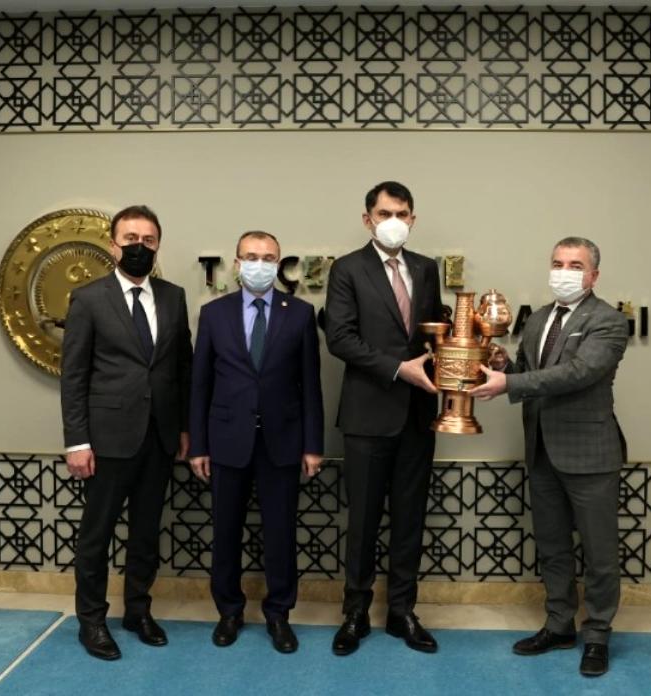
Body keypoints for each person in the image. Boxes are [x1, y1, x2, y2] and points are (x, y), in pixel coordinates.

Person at [469, 236, 628, 678]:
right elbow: (528, 374)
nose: (564, 272)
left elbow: (579, 372)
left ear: (594, 275)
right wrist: (503, 367)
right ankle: (559, 625)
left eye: (575, 265)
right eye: (558, 263)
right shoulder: (539, 319)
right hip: (540, 450)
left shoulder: (609, 321)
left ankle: (597, 635)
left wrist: (510, 384)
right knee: (553, 546)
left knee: (599, 552)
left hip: (590, 454)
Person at [60, 205, 192, 661]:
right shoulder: (88, 299)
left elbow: (182, 367)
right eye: (131, 239)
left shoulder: (173, 297)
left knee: (146, 534)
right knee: (96, 536)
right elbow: (74, 376)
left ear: (158, 246)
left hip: (159, 437)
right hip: (106, 440)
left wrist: (184, 427)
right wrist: (77, 441)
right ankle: (92, 621)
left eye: (148, 240)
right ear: (113, 245)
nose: (140, 247)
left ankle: (138, 611)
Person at [188, 231, 324, 654]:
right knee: (225, 531)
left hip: (282, 441)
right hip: (227, 441)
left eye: (267, 257)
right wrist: (198, 445)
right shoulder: (214, 314)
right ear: (236, 263)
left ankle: (279, 614)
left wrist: (313, 445)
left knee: (280, 533)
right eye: (251, 256)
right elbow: (200, 385)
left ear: (279, 264)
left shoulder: (300, 313)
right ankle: (229, 612)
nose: (259, 264)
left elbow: (311, 385)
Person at [324, 181, 443, 655]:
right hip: (367, 414)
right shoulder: (347, 269)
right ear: (367, 218)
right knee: (364, 521)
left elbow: (433, 333)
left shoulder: (427, 268)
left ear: (413, 219)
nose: (394, 221)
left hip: (417, 415)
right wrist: (398, 368)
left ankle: (401, 612)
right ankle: (355, 613)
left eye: (402, 213)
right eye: (384, 213)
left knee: (410, 519)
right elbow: (340, 337)